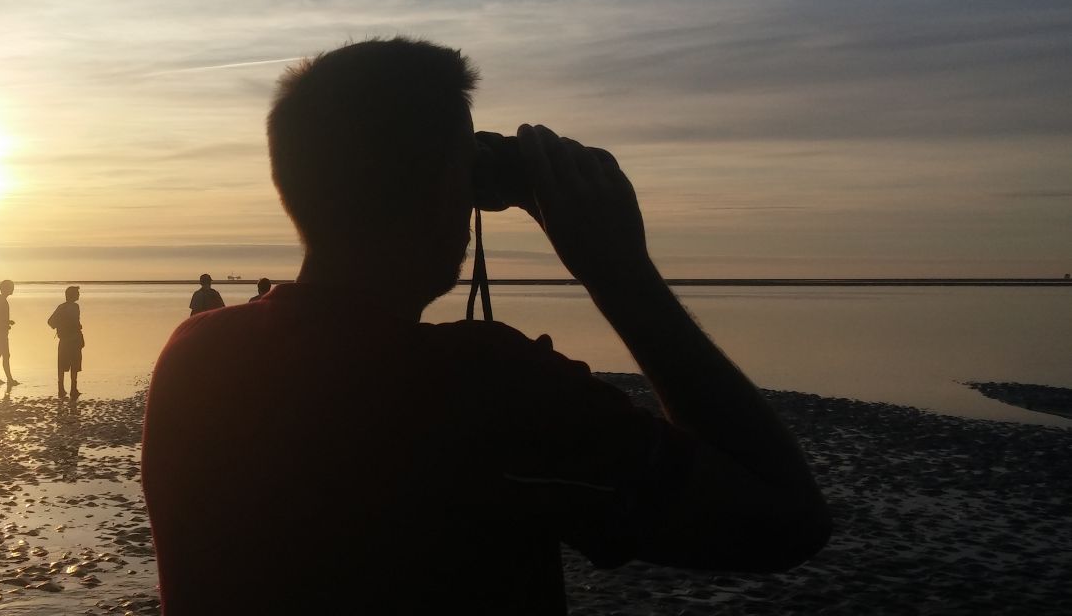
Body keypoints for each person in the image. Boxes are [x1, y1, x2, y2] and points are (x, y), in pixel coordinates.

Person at [142, 38, 830, 613]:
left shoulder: (196, 356)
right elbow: (783, 522)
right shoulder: (484, 386)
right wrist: (621, 275)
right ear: (448, 186)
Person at [47, 285, 84, 398]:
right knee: (74, 364)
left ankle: (61, 389)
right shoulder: (75, 307)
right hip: (73, 339)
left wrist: (60, 326)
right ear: (72, 295)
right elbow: (74, 323)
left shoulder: (61, 307)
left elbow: (50, 322)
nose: (79, 295)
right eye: (77, 293)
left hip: (64, 340)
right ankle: (73, 389)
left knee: (61, 365)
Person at [0, 279, 17, 386]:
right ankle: (5, 379)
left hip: (0, 332)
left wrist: (7, 322)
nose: (13, 289)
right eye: (11, 287)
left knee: (2, 355)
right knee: (2, 355)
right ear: (6, 289)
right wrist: (6, 323)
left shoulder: (1, 301)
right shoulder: (2, 301)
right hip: (0, 333)